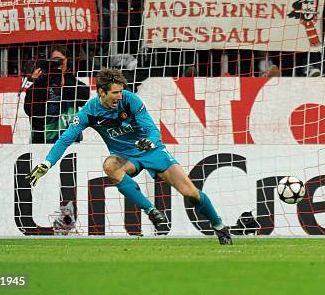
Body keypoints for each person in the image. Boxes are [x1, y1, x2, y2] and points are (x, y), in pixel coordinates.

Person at [26, 68, 233, 244]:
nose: (119, 96)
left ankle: (219, 225)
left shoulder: (131, 100)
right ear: (101, 92)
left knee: (190, 192)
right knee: (109, 165)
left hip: (152, 151)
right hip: (126, 158)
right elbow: (65, 139)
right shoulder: (89, 112)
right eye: (115, 92)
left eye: (121, 91)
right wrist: (47, 163)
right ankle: (151, 211)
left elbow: (152, 130)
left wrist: (151, 142)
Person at [24, 45, 90, 144]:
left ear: (68, 61)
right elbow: (30, 110)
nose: (57, 64)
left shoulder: (71, 81)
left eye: (61, 60)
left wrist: (65, 81)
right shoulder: (42, 82)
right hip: (43, 141)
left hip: (70, 139)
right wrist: (37, 83)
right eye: (54, 60)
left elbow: (84, 97)